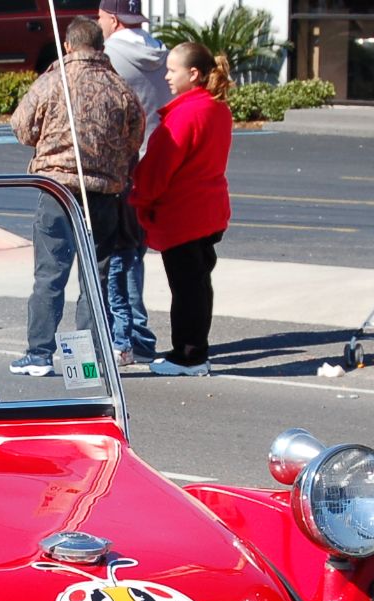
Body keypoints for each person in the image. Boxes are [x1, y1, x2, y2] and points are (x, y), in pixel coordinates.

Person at [7, 16, 143, 377]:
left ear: (68, 46)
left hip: (56, 190)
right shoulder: (119, 88)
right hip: (103, 194)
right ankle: (84, 358)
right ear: (100, 46)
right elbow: (135, 138)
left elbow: (21, 128)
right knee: (93, 277)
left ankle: (39, 354)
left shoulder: (52, 82)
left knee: (50, 273)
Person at [131, 42, 233, 376]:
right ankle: (194, 349)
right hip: (208, 210)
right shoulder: (217, 108)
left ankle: (189, 355)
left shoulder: (185, 116)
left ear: (193, 73)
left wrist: (138, 200)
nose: (167, 76)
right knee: (199, 283)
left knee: (187, 287)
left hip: (184, 214)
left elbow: (156, 172)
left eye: (173, 70)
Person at [97, 0, 169, 368]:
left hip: (123, 163)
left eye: (100, 17)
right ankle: (140, 335)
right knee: (135, 254)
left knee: (116, 259)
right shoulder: (163, 54)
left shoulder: (107, 56)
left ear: (111, 19)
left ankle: (125, 337)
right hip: (157, 161)